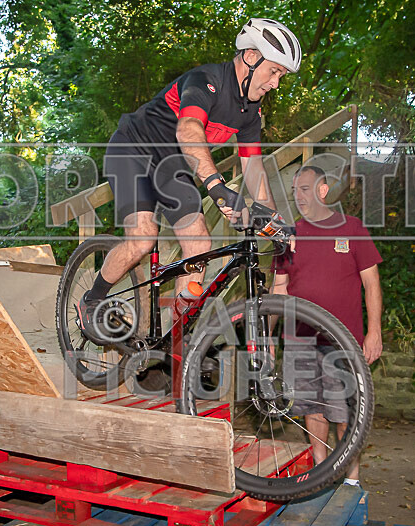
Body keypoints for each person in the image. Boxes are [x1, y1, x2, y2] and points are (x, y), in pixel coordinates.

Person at [79, 18, 303, 343]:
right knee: (143, 238)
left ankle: (171, 343)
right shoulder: (207, 79)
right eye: (275, 71)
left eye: (281, 76)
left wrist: (274, 219)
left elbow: (254, 168)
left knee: (199, 245)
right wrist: (215, 185)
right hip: (134, 149)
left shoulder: (250, 113)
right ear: (252, 57)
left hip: (173, 166)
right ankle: (93, 300)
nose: (276, 83)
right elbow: (188, 130)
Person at [271, 165, 383, 487]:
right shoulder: (288, 237)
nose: (298, 196)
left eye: (305, 189)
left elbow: (372, 284)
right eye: (294, 190)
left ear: (322, 190)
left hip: (342, 342)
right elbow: (278, 289)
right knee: (312, 408)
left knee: (345, 412)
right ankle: (320, 473)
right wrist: (266, 334)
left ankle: (351, 479)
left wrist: (374, 331)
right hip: (299, 339)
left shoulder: (352, 228)